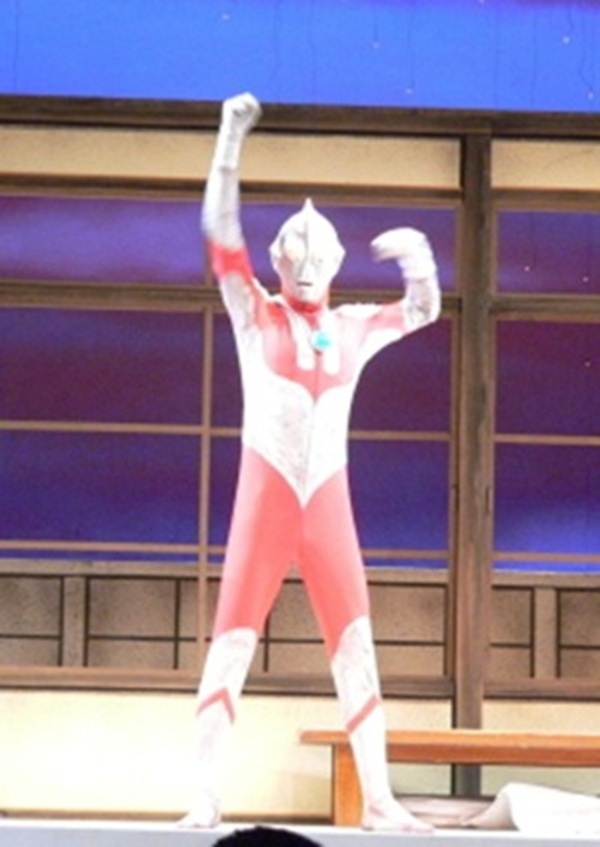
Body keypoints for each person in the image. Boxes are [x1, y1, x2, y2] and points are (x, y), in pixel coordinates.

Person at [180, 93, 440, 833]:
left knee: (357, 646)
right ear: (278, 260)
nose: (306, 269)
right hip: (265, 501)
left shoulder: (352, 326)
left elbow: (422, 311)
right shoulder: (254, 313)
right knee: (231, 641)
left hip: (326, 502)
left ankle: (380, 798)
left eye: (319, 259)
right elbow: (219, 233)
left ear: (336, 264)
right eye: (295, 258)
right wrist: (230, 139)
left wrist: (420, 262)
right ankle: (205, 792)